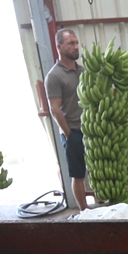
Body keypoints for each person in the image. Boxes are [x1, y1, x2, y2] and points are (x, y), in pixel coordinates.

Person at [45, 28, 88, 210]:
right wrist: (68, 134)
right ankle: (84, 211)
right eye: (71, 43)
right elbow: (55, 108)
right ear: (59, 47)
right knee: (78, 175)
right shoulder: (55, 76)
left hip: (90, 129)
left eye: (76, 43)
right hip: (73, 131)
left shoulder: (83, 71)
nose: (76, 47)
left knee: (99, 169)